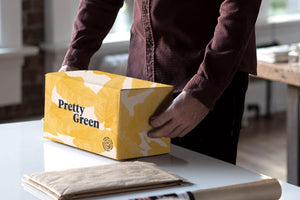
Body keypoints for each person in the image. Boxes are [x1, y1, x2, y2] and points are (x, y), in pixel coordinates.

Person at [60, 0, 262, 164]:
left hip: (205, 83)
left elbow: (240, 8)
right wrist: (74, 61)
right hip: (140, 84)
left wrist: (203, 90)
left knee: (204, 190)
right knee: (141, 187)